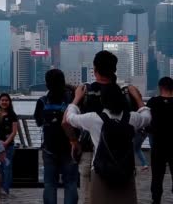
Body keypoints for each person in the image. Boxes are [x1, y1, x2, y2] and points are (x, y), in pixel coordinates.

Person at [64, 77, 150, 203]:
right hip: (125, 171)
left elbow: (69, 118)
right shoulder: (132, 118)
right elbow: (147, 117)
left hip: (100, 171)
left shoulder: (94, 119)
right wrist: (137, 98)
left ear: (103, 100)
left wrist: (76, 98)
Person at [34, 69, 78, 204]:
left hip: (49, 148)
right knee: (70, 183)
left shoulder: (42, 101)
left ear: (47, 84)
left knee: (49, 184)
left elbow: (38, 121)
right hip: (69, 146)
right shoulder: (72, 100)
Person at [148, 76, 173, 204]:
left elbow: (147, 120)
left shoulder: (153, 102)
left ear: (160, 87)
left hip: (158, 145)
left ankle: (156, 200)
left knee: (157, 175)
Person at [0, 93, 18, 196]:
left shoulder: (12, 115)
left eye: (6, 100)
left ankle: (5, 189)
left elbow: (14, 131)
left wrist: (6, 142)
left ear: (9, 102)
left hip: (8, 146)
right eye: (2, 100)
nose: (4, 102)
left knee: (7, 167)